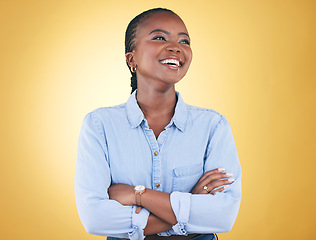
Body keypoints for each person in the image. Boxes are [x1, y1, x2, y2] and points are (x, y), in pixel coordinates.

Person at [75, 8, 241, 240]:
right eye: (160, 37)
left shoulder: (213, 126)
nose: (176, 47)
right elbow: (96, 219)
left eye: (184, 41)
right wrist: (190, 204)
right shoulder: (99, 125)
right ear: (131, 59)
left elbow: (222, 216)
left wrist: (138, 195)